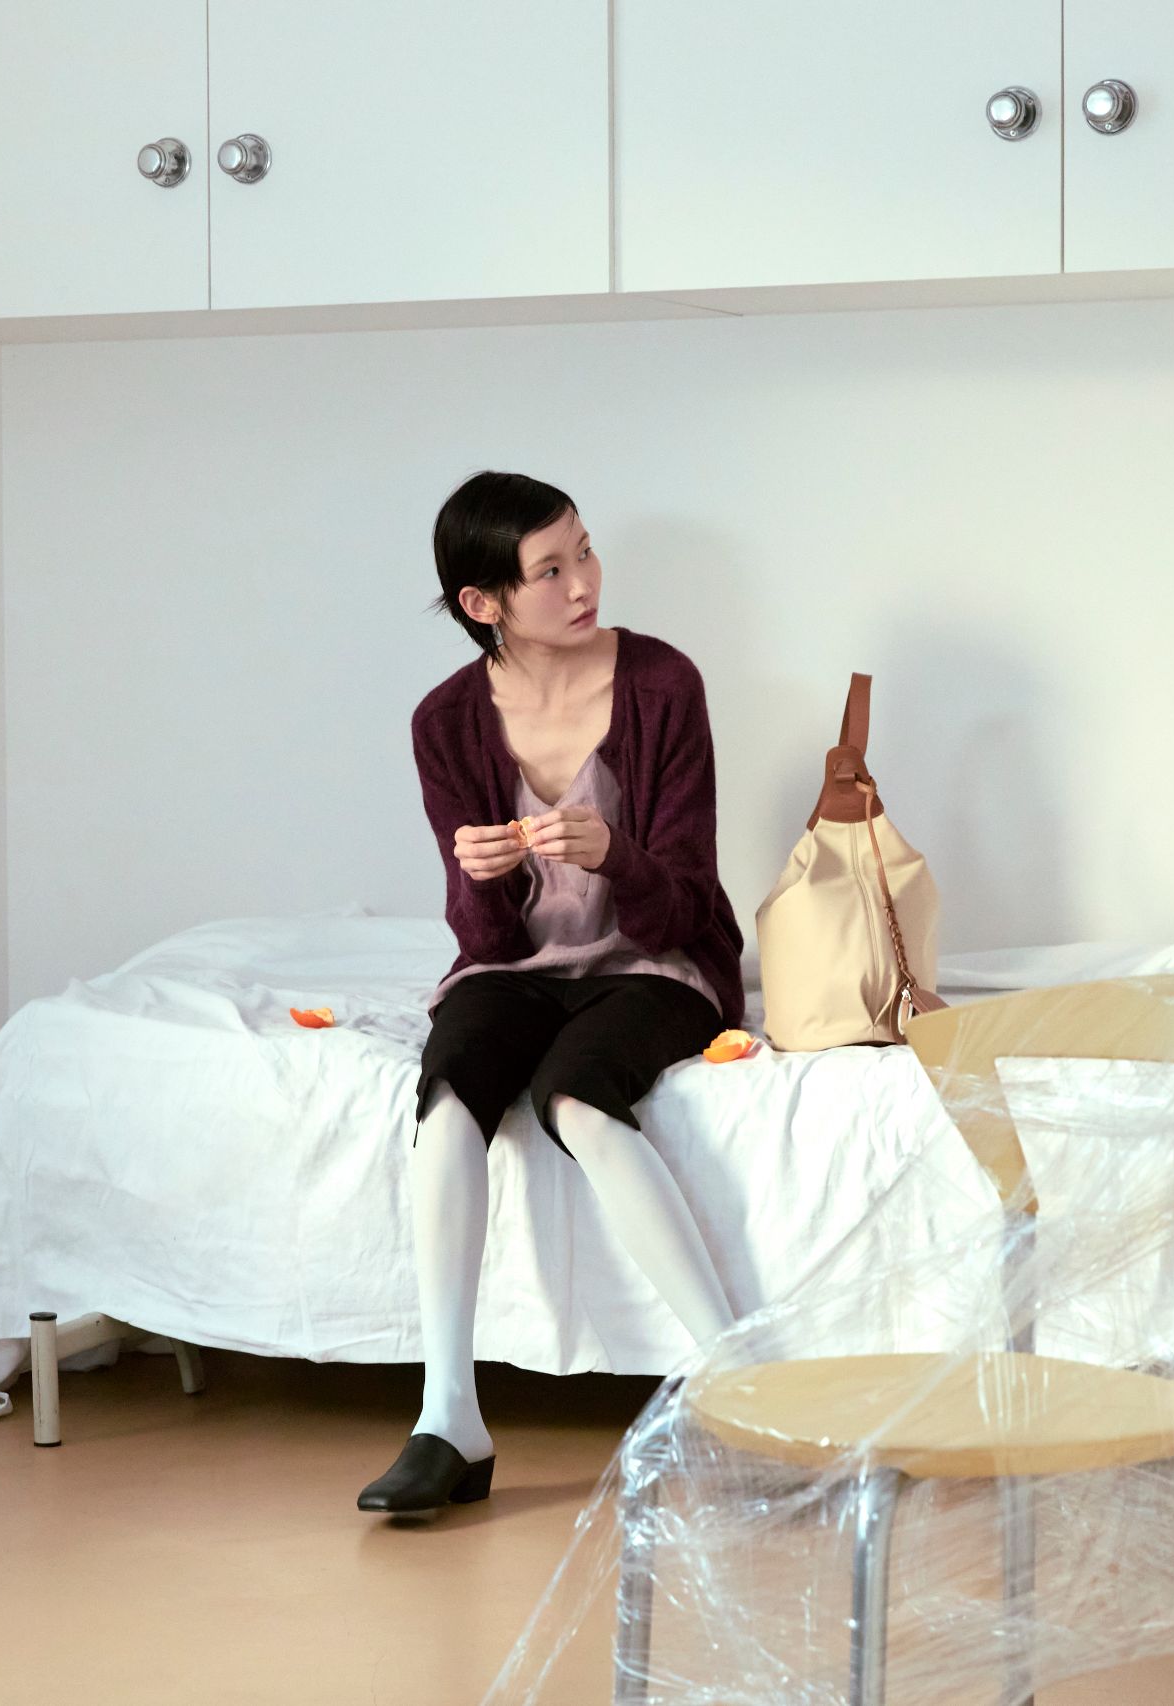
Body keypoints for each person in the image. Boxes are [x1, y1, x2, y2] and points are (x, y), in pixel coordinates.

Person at [359, 471, 747, 1514]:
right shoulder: (445, 722)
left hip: (655, 966)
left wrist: (616, 854)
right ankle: (448, 1416)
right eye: (550, 569)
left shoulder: (661, 683)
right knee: (449, 1094)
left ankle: (738, 1382)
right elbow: (483, 940)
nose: (584, 583)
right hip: (514, 972)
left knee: (574, 1096)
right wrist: (481, 878)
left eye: (584, 551)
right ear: (482, 602)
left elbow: (685, 904)